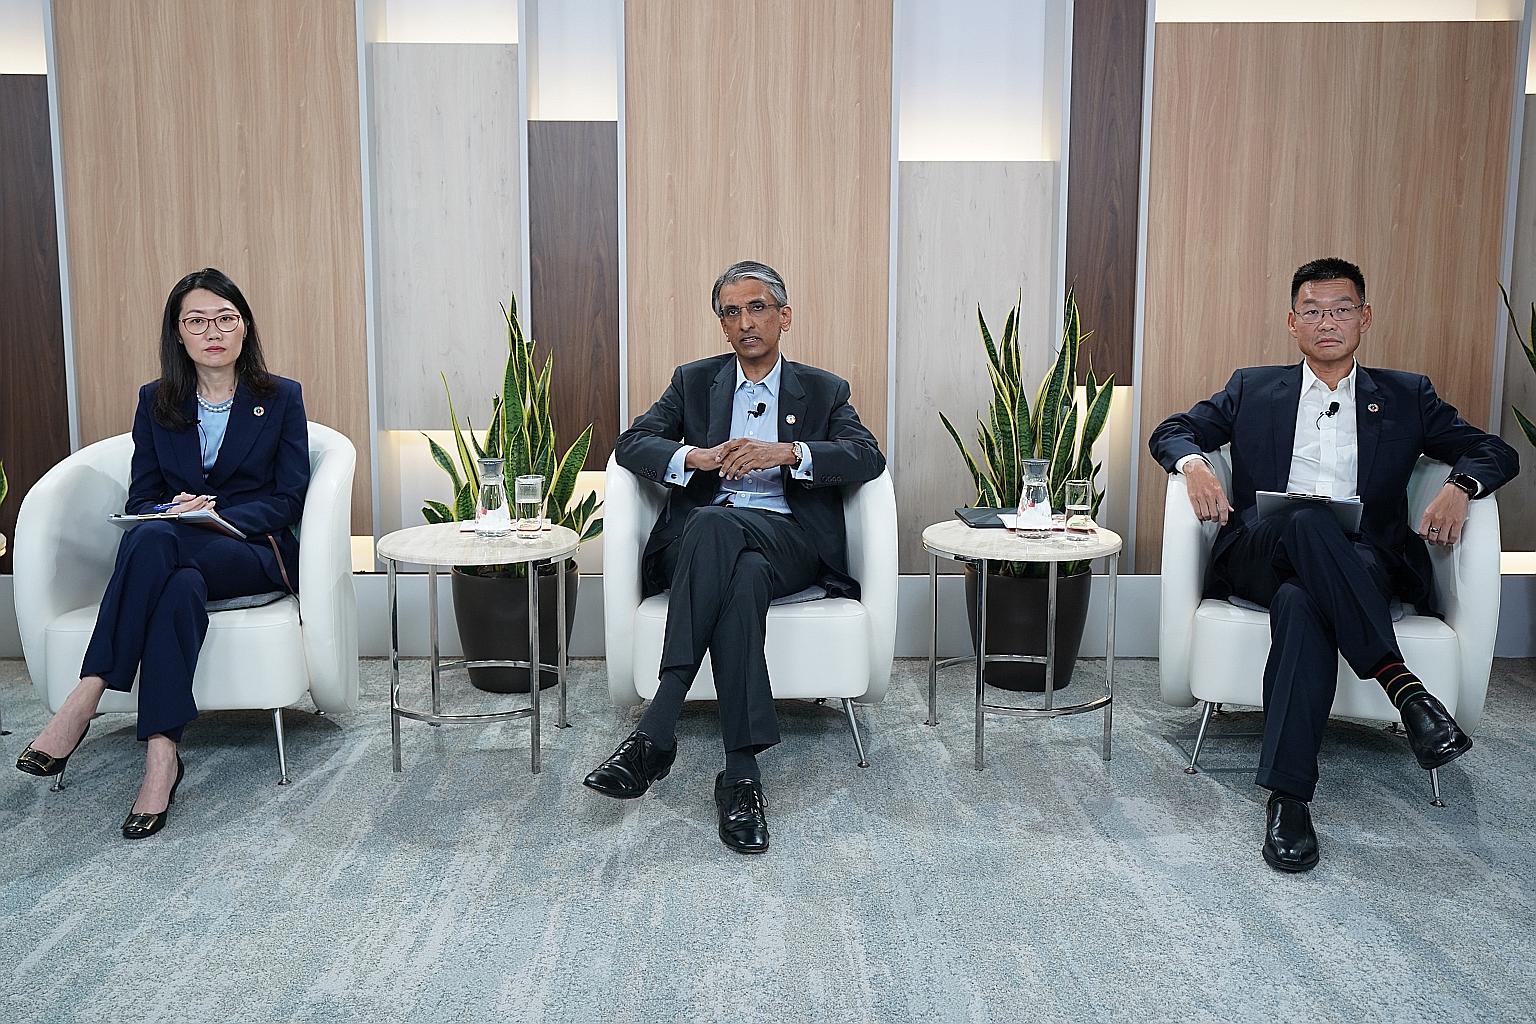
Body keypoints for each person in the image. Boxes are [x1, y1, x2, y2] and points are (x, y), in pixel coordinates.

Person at [1149, 256, 1519, 873]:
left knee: (1301, 602)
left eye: (1342, 310)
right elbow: (1173, 430)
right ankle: (1406, 691)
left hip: (1363, 559)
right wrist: (1194, 466)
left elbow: (1494, 449)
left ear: (1364, 318)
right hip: (1263, 551)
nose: (1328, 322)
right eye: (1314, 311)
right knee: (1305, 520)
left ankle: (1289, 800)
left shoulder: (1406, 395)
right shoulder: (1252, 387)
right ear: (1292, 322)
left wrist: (1461, 486)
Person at [583, 260, 886, 853]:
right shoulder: (694, 382)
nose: (745, 322)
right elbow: (631, 443)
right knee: (734, 562)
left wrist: (788, 452)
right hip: (707, 547)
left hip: (788, 541)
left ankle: (657, 730)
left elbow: (866, 456)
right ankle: (741, 776)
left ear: (784, 317)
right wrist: (695, 457)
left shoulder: (824, 389)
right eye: (731, 312)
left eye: (757, 308)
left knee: (718, 527)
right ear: (722, 325)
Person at [15, 268, 310, 840]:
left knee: (154, 542)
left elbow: (288, 498)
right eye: (196, 321)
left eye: (225, 318)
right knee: (174, 579)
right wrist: (172, 510)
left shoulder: (280, 397)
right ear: (178, 333)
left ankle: (86, 695)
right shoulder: (157, 401)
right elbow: (142, 498)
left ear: (245, 327)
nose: (213, 331)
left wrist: (217, 514)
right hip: (178, 554)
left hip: (249, 550)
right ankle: (161, 756)